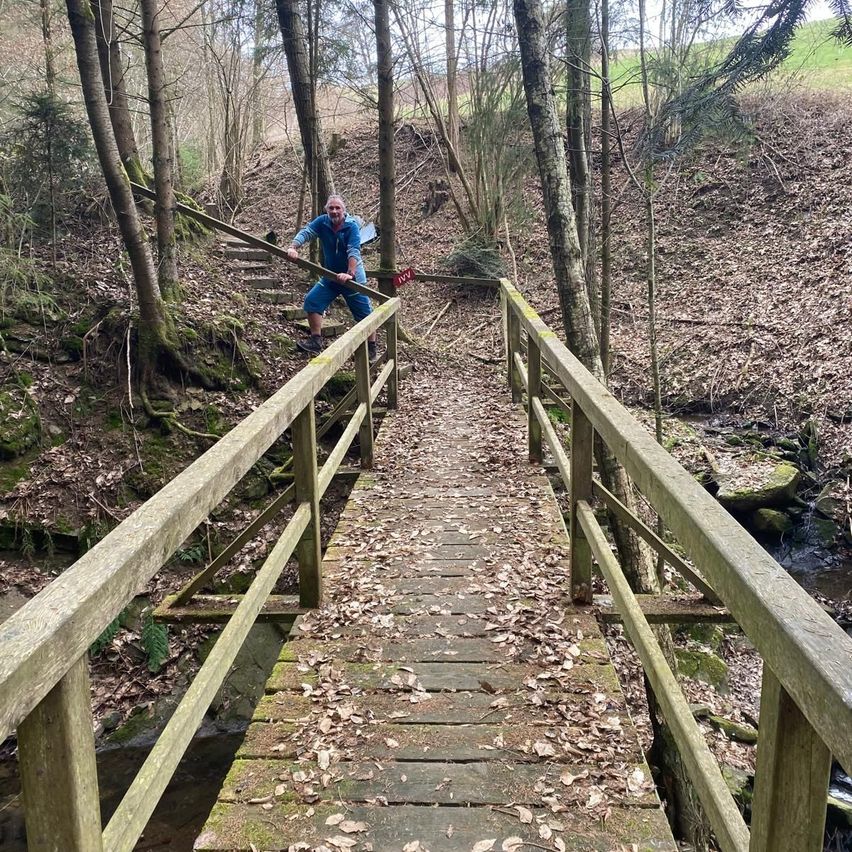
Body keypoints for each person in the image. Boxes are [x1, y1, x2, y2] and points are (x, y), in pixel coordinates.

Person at [287, 195, 378, 361]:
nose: (334, 211)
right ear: (326, 209)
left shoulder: (351, 227)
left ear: (344, 210)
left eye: (338, 208)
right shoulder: (322, 222)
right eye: (331, 208)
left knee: (364, 314)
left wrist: (349, 274)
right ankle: (315, 341)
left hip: (353, 279)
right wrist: (293, 247)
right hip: (331, 276)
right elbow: (307, 232)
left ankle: (371, 349)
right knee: (312, 301)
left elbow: (354, 251)